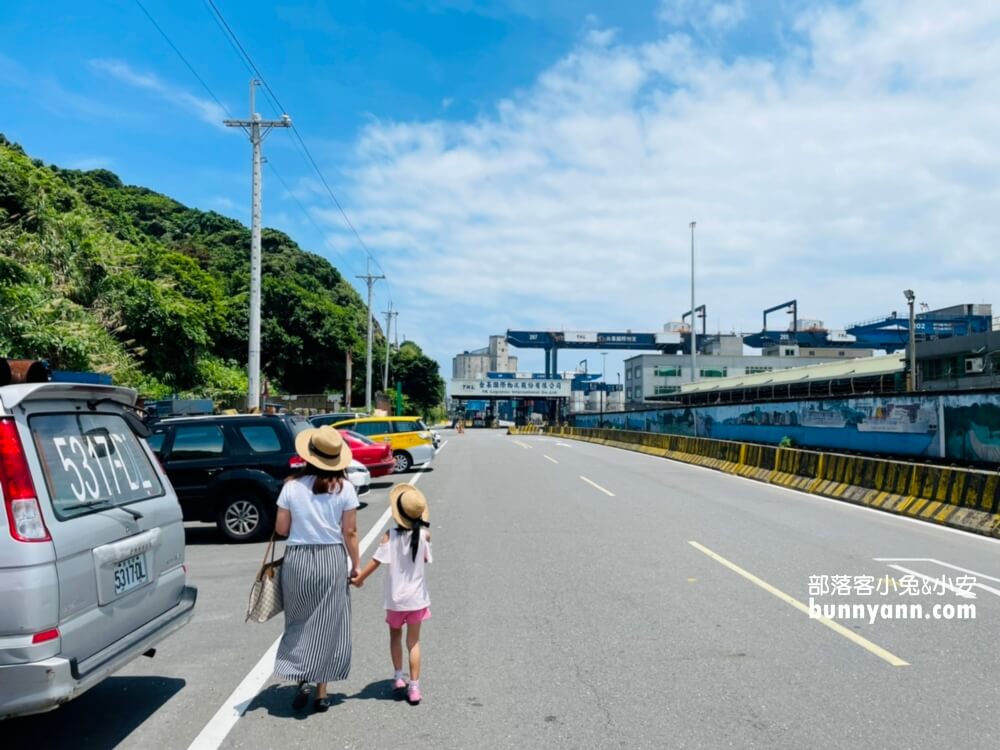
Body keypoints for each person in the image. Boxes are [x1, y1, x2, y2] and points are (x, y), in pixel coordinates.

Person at [273, 425, 360, 713]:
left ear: (309, 455)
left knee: (298, 621)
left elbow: (281, 529)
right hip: (331, 559)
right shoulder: (345, 488)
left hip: (297, 559)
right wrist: (356, 565)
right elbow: (349, 532)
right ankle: (322, 692)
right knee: (329, 624)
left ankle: (302, 676)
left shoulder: (291, 486)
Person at [352, 483, 432, 705]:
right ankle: (414, 687)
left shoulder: (390, 536)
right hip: (417, 599)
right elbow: (425, 558)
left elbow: (376, 561)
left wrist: (359, 578)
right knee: (414, 642)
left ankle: (398, 676)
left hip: (395, 600)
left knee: (395, 636)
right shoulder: (424, 535)